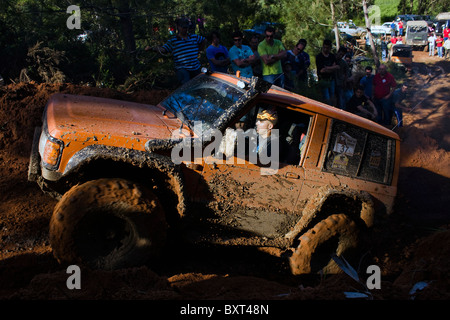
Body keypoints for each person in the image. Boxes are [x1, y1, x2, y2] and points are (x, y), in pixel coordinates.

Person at [146, 17, 206, 85]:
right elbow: (164, 49)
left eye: (186, 27)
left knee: (199, 84)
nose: (185, 29)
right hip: (182, 68)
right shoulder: (174, 41)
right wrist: (152, 48)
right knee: (186, 84)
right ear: (178, 27)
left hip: (195, 67)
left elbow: (203, 40)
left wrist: (199, 50)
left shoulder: (194, 37)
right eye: (183, 27)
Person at [316, 39, 339, 106]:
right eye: (324, 47)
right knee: (326, 97)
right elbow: (322, 70)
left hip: (331, 79)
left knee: (332, 96)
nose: (326, 49)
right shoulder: (319, 57)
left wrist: (327, 68)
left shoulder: (332, 56)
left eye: (327, 48)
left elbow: (337, 67)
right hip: (323, 79)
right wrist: (331, 68)